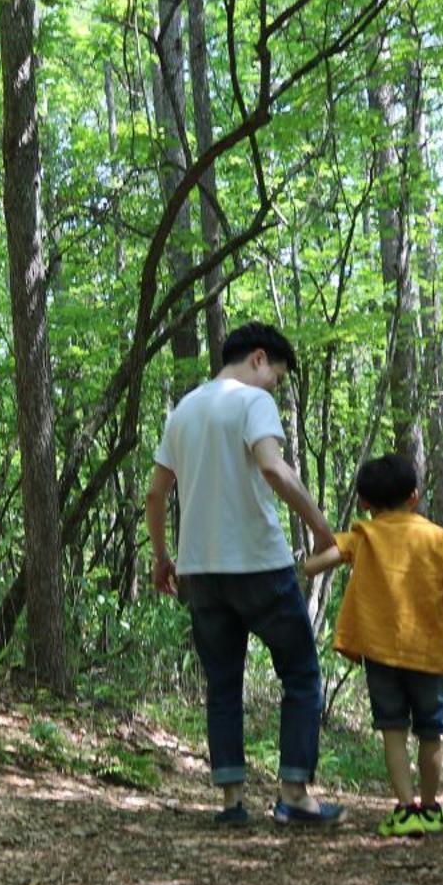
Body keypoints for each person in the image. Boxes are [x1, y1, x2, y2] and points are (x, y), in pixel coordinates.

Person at [145, 323, 346, 827]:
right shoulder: (252, 402)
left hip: (200, 571)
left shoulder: (184, 410)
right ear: (259, 359)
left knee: (223, 684)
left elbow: (154, 493)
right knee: (300, 674)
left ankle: (232, 802)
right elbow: (275, 470)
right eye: (276, 378)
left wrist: (160, 557)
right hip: (258, 564)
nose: (273, 388)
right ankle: (294, 794)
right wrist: (324, 533)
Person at [301, 454, 443, 838]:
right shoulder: (435, 537)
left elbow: (315, 566)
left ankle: (403, 808)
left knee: (393, 730)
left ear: (365, 502)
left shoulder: (363, 535)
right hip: (429, 653)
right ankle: (429, 809)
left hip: (380, 654)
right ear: (414, 497)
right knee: (431, 731)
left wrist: (313, 551)